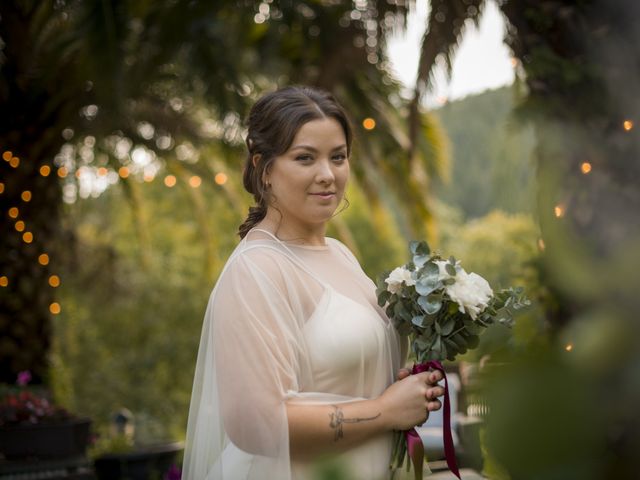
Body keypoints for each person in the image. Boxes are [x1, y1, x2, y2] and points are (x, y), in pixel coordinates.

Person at [182, 86, 445, 480]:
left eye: (338, 157)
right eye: (305, 158)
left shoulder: (339, 254)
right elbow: (253, 425)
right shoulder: (256, 271)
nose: (327, 175)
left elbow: (344, 374)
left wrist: (407, 386)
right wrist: (386, 412)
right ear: (265, 169)